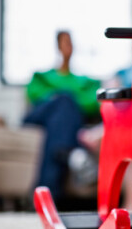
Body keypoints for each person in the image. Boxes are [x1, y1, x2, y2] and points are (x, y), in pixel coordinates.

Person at [24, 31, 101, 200]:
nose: (68, 47)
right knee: (64, 102)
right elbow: (35, 95)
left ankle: (45, 192)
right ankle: (75, 154)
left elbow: (94, 103)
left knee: (62, 114)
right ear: (58, 46)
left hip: (59, 123)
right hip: (39, 117)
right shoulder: (42, 76)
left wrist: (62, 98)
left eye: (70, 43)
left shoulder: (83, 81)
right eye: (65, 42)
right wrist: (65, 98)